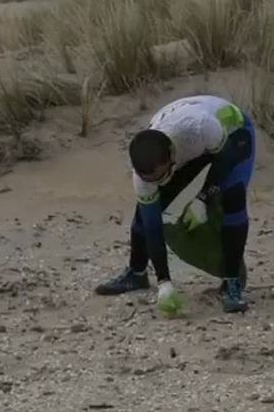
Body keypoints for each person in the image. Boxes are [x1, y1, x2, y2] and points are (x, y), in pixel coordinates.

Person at [95, 95, 256, 314]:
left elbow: (225, 158)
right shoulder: (144, 177)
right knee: (145, 212)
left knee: (232, 196)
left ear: (172, 155)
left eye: (163, 176)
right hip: (186, 148)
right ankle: (136, 273)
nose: (160, 183)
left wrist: (203, 197)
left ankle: (232, 283)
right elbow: (153, 226)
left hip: (232, 135)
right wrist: (164, 282)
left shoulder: (200, 127)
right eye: (153, 180)